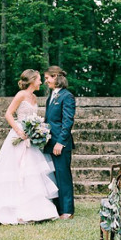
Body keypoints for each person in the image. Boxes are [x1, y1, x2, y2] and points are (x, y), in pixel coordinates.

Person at [0, 69, 59, 226]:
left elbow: (35, 117)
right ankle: (11, 208)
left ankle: (34, 210)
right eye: (38, 79)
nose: (40, 82)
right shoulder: (21, 95)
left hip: (30, 138)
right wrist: (19, 130)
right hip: (19, 136)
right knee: (15, 171)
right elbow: (8, 114)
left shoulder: (34, 97)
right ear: (32, 81)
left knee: (31, 174)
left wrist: (37, 130)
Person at [43, 66, 76, 219]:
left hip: (60, 144)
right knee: (53, 176)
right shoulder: (51, 96)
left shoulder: (67, 96)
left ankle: (68, 211)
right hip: (50, 142)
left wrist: (60, 142)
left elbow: (67, 121)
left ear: (55, 77)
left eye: (48, 78)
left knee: (63, 176)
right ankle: (57, 208)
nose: (46, 81)